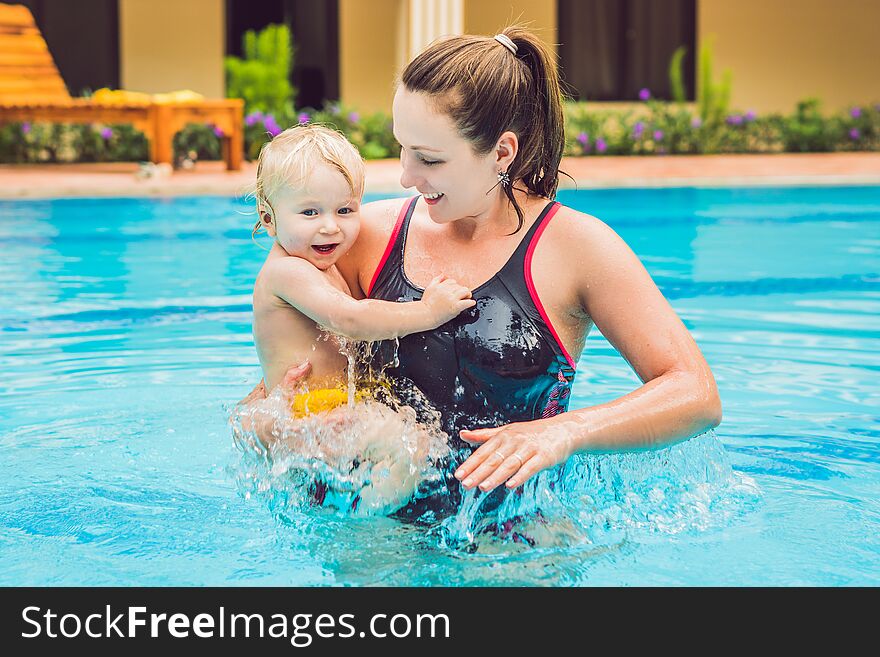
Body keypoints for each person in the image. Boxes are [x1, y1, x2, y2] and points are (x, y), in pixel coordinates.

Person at [243, 27, 721, 516]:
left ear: (502, 153)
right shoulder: (360, 235)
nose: (406, 175)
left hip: (512, 540)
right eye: (402, 148)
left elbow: (695, 393)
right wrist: (264, 424)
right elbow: (285, 370)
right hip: (371, 536)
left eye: (429, 158)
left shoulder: (577, 249)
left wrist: (564, 431)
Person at [240, 123, 473, 513]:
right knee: (413, 450)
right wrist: (428, 312)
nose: (330, 225)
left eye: (345, 209)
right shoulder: (286, 272)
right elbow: (349, 319)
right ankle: (364, 522)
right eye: (310, 212)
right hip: (313, 412)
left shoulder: (320, 265)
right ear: (269, 220)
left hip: (333, 408)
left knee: (418, 444)